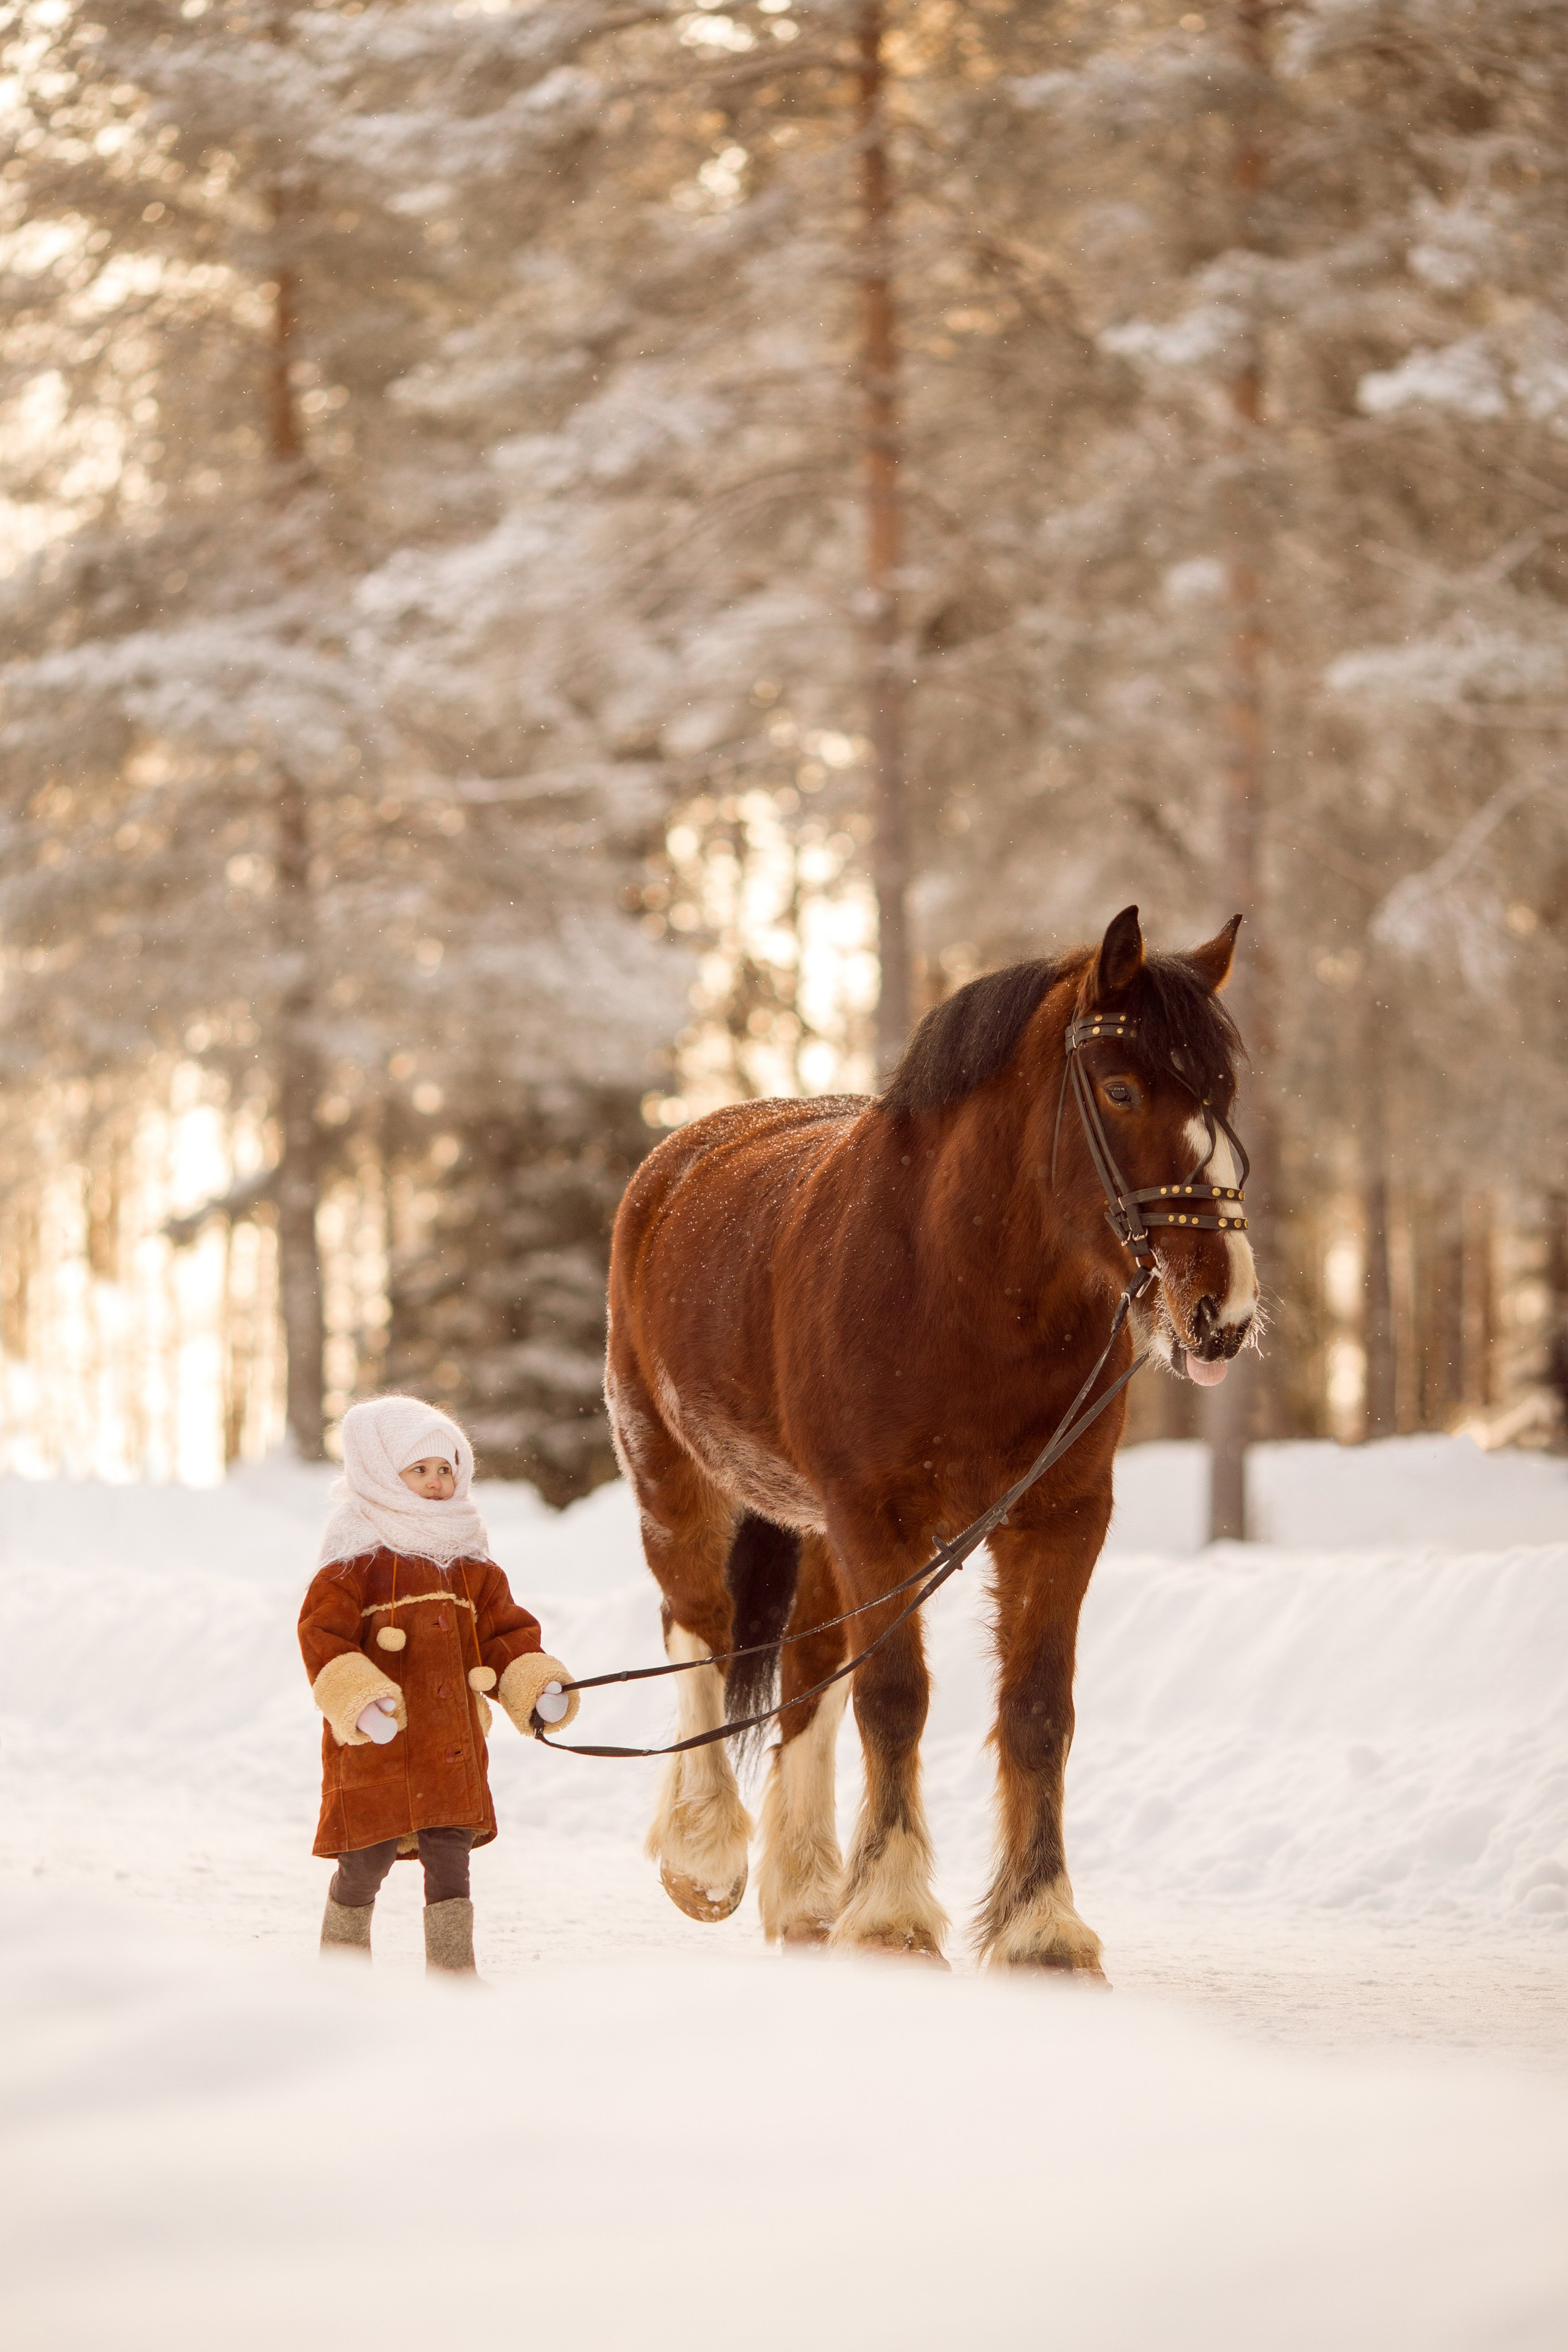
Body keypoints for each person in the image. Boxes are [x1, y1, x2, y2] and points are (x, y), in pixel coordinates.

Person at [298, 1393, 579, 1975]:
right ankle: (341, 1970)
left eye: (445, 1470)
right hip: (379, 1744)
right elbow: (323, 1635)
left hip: (449, 1747)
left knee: (450, 1861)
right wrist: (360, 1700)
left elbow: (505, 1634)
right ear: (381, 1472)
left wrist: (533, 1685)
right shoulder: (356, 1558)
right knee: (365, 1859)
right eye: (418, 1470)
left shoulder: (469, 1559)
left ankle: (453, 1976)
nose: (434, 1483)